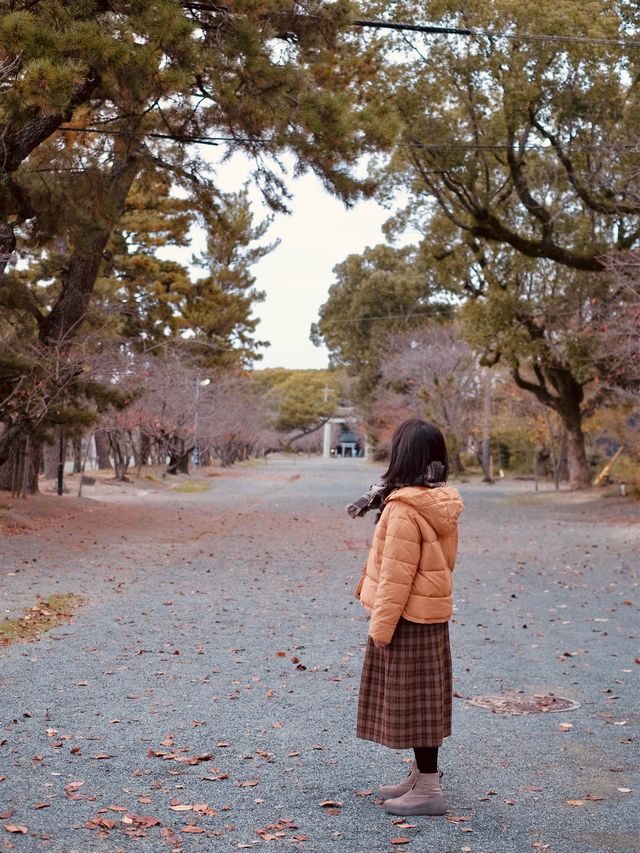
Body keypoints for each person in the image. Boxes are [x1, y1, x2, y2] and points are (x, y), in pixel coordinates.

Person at [347, 418, 464, 817]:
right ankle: (422, 774)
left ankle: (429, 788)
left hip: (407, 617)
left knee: (416, 703)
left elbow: (398, 575)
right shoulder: (438, 498)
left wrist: (381, 627)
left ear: (403, 455)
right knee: (425, 700)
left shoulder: (404, 508)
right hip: (428, 613)